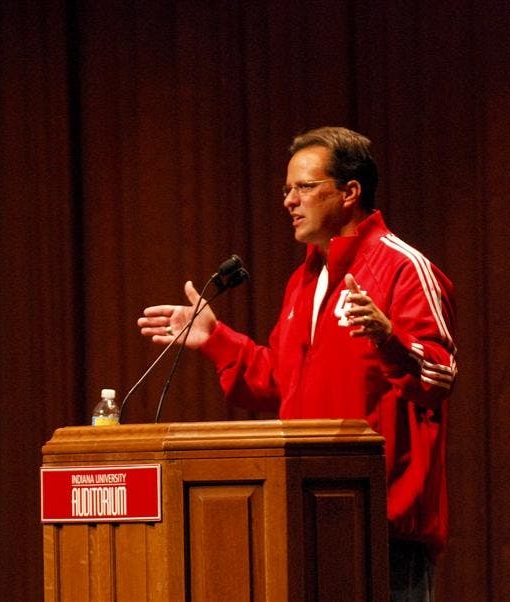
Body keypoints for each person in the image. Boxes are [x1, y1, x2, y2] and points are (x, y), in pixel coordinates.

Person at [138, 126, 457, 601]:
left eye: (305, 187)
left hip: (383, 530)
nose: (289, 201)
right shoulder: (303, 281)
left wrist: (388, 337)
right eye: (287, 189)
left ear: (350, 192)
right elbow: (281, 382)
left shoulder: (404, 267)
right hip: (306, 518)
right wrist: (216, 339)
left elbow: (440, 375)